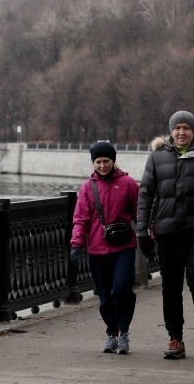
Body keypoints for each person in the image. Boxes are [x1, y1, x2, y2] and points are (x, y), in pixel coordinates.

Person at [135, 110, 194, 360]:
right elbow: (145, 195)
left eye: (186, 128)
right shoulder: (157, 158)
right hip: (167, 233)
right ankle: (175, 338)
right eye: (177, 128)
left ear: (193, 130)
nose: (181, 132)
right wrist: (142, 230)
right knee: (170, 286)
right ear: (171, 131)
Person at [70, 141, 140, 354]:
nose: (102, 165)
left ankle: (124, 332)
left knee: (121, 289)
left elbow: (140, 214)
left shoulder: (128, 184)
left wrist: (148, 237)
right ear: (93, 163)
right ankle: (112, 333)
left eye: (106, 161)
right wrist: (76, 244)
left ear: (113, 161)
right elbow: (80, 218)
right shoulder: (87, 188)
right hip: (97, 249)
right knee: (104, 297)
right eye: (98, 162)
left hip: (124, 247)